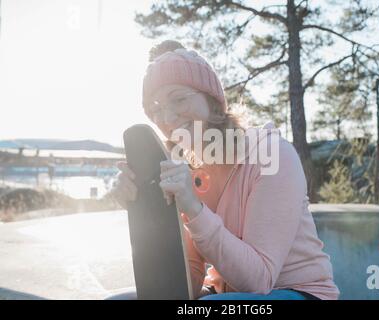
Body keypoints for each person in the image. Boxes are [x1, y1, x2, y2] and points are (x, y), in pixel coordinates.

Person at [110, 40, 339, 300]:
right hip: (221, 295)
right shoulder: (190, 173)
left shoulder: (271, 155)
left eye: (179, 99)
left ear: (213, 102)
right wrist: (144, 212)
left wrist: (194, 208)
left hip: (299, 293)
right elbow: (185, 282)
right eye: (155, 109)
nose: (168, 118)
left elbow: (258, 281)